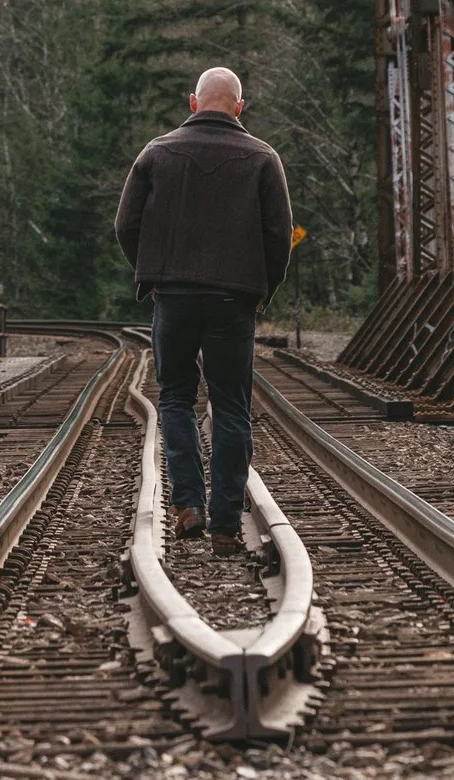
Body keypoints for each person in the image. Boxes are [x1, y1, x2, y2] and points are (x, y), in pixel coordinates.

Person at [113, 66, 292, 557]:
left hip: (173, 296)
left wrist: (152, 275)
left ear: (193, 102)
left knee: (174, 398)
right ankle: (227, 525)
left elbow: (126, 224)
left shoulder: (156, 153)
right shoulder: (262, 157)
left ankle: (189, 505)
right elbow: (279, 237)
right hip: (233, 299)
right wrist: (262, 291)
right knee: (231, 406)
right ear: (239, 106)